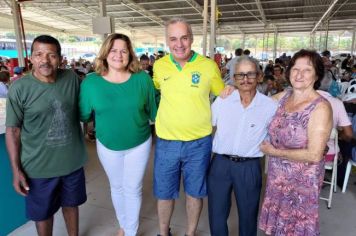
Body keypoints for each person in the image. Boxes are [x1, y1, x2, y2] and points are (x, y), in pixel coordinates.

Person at [5, 35, 87, 236]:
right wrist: (16, 170)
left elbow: (88, 105)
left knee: (71, 205)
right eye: (39, 54)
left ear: (59, 58)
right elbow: (13, 130)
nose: (45, 60)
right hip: (38, 167)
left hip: (72, 163)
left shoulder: (71, 79)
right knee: (43, 214)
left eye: (51, 55)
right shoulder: (19, 88)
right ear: (31, 58)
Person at [79, 33, 157, 236]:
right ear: (105, 53)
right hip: (107, 144)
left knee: (133, 188)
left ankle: (130, 231)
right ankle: (123, 225)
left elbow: (154, 111)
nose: (118, 55)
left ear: (130, 54)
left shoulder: (142, 79)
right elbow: (84, 113)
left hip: (139, 142)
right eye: (113, 50)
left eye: (123, 50)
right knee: (117, 186)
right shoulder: (91, 83)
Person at [152, 17, 225, 236]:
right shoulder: (159, 65)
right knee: (164, 193)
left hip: (199, 143)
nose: (179, 44)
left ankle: (190, 233)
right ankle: (164, 233)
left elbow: (223, 95)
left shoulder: (208, 66)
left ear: (192, 39)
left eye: (184, 38)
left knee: (195, 193)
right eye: (173, 39)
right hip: (166, 142)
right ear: (167, 41)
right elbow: (154, 91)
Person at [259, 49, 333, 235]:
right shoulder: (284, 97)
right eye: (295, 69)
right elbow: (256, 103)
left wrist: (274, 152)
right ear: (289, 72)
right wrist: (233, 90)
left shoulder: (320, 107)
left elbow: (314, 154)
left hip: (301, 186)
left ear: (317, 74)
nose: (299, 74)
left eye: (307, 70)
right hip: (277, 180)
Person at [208, 56, 277, 236]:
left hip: (249, 166)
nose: (245, 79)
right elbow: (206, 123)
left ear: (260, 76)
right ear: (234, 78)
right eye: (240, 75)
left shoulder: (269, 106)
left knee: (248, 214)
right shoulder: (223, 100)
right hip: (220, 165)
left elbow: (277, 135)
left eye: (250, 74)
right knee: (217, 213)